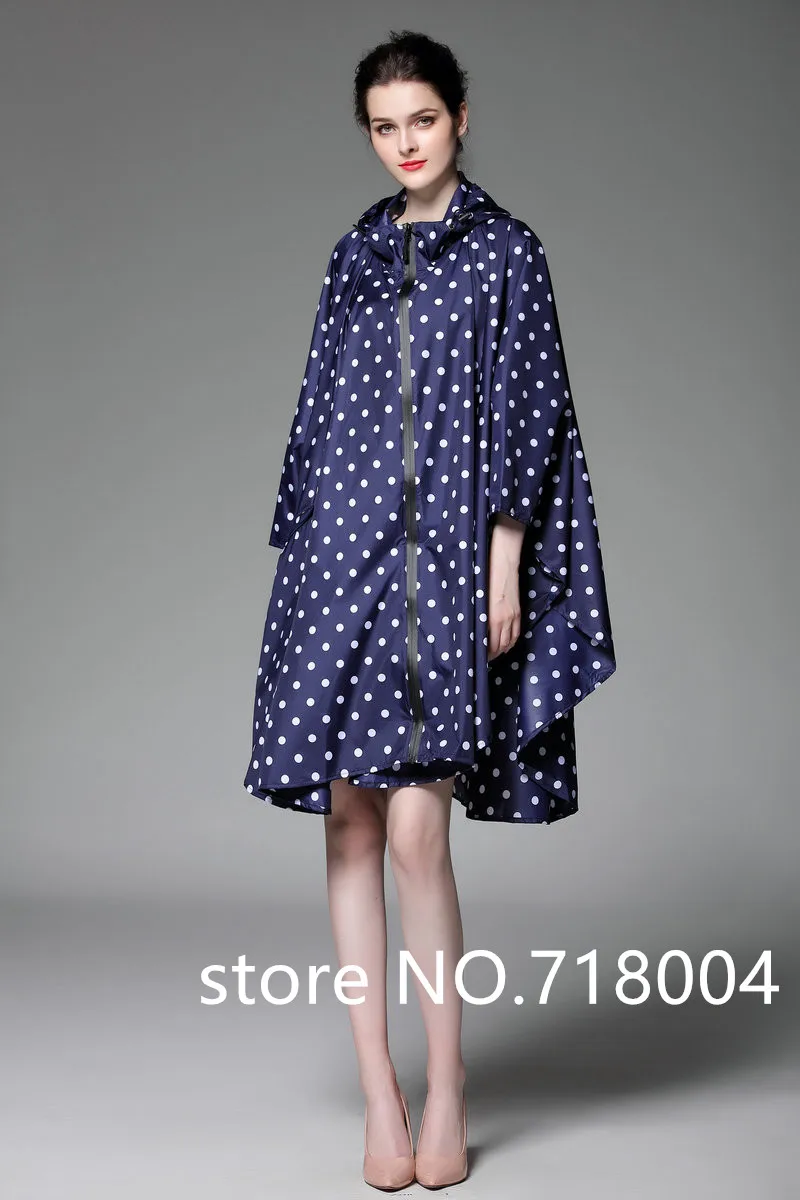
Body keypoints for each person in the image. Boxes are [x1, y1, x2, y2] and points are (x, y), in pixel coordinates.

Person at [244, 29, 617, 1191]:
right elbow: (317, 410)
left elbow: (533, 408)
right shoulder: (352, 255)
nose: (403, 143)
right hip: (342, 565)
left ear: (460, 116)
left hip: (448, 569)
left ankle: (448, 1083)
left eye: (421, 119)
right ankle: (381, 1093)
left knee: (415, 830)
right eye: (382, 126)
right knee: (349, 826)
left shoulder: (508, 253)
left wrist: (505, 557)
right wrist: (301, 565)